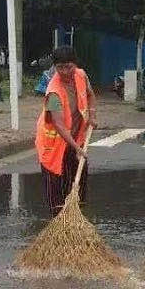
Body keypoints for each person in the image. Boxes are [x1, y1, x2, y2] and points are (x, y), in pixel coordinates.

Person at [35, 45, 95, 216]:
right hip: (53, 145)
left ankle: (77, 219)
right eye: (59, 67)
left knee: (78, 183)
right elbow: (59, 124)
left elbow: (90, 95)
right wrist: (76, 148)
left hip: (75, 138)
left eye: (68, 66)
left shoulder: (81, 75)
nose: (65, 71)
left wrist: (92, 115)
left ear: (75, 64)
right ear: (54, 67)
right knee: (56, 188)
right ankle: (58, 226)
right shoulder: (53, 93)